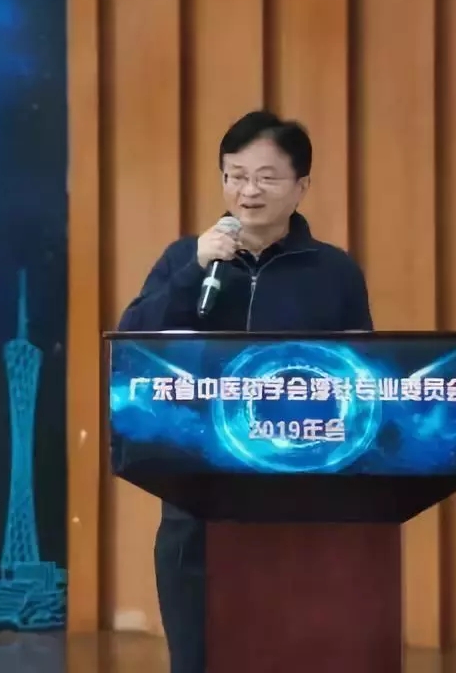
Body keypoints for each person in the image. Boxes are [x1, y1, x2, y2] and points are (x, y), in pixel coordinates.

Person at [118, 110, 373, 673]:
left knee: (287, 647)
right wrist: (193, 270)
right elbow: (133, 338)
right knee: (197, 650)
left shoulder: (333, 272)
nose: (247, 191)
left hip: (298, 486)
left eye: (265, 177)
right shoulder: (186, 259)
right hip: (197, 480)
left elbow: (361, 374)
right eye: (234, 176)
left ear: (301, 186)